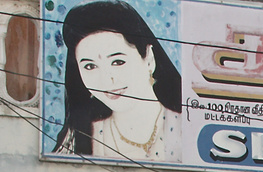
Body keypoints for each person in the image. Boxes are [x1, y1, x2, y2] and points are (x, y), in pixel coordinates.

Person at [52, 0, 182, 161]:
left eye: (118, 62)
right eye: (90, 66)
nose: (107, 80)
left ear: (149, 59)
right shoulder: (77, 138)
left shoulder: (188, 128)